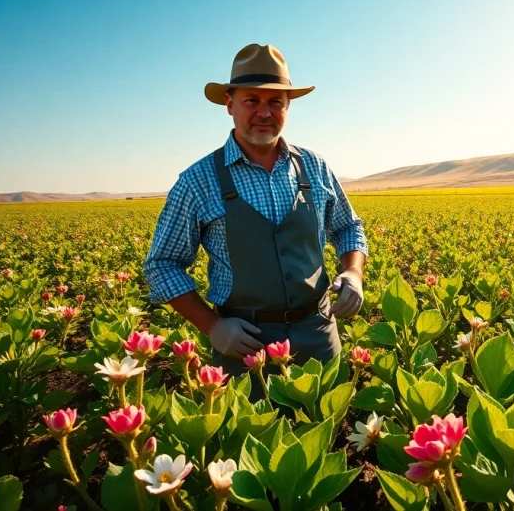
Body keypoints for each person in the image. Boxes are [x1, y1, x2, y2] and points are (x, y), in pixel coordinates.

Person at [144, 43, 368, 398]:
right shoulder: (197, 180)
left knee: (325, 421)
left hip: (319, 334)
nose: (264, 112)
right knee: (251, 428)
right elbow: (162, 264)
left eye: (275, 101)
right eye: (252, 100)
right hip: (244, 343)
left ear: (288, 106)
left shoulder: (314, 166)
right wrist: (213, 327)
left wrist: (353, 272)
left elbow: (347, 227)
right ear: (229, 104)